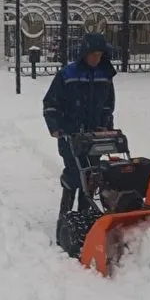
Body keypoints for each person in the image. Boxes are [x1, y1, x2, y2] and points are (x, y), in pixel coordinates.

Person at [42, 33, 117, 216]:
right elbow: (50, 103)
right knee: (74, 175)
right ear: (84, 53)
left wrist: (106, 126)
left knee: (92, 177)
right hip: (70, 135)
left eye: (100, 55)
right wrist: (56, 127)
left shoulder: (104, 76)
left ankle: (85, 216)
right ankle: (65, 218)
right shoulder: (68, 74)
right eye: (93, 54)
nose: (96, 58)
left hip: (94, 137)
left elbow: (108, 105)